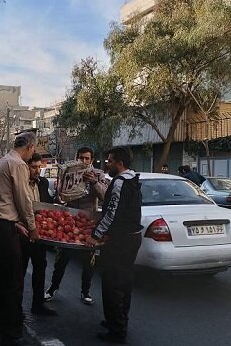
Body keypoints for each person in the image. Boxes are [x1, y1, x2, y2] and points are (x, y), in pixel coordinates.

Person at [0, 131, 39, 346]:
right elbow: (23, 200)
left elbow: (1, 200)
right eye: (35, 149)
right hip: (0, 229)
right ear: (30, 147)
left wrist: (14, 224)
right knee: (12, 280)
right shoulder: (18, 164)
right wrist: (31, 226)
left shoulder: (4, 161)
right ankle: (11, 332)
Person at [86, 147, 142, 345]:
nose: (107, 165)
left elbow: (111, 213)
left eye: (109, 161)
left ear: (119, 163)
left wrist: (96, 234)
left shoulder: (119, 182)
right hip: (132, 238)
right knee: (124, 283)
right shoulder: (133, 179)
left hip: (120, 240)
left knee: (112, 285)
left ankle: (116, 330)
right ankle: (117, 321)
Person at [45, 146, 109, 305]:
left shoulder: (99, 175)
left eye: (87, 158)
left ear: (92, 160)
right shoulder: (68, 171)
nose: (84, 161)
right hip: (70, 219)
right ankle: (53, 288)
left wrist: (93, 182)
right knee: (62, 257)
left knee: (89, 260)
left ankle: (85, 291)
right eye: (81, 158)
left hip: (88, 221)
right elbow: (59, 195)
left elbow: (105, 196)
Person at [21, 153, 57, 316]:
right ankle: (16, 308)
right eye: (33, 167)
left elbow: (48, 203)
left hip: (40, 235)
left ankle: (38, 304)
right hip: (22, 234)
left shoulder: (42, 182)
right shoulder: (19, 183)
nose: (37, 170)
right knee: (19, 272)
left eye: (39, 167)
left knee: (40, 269)